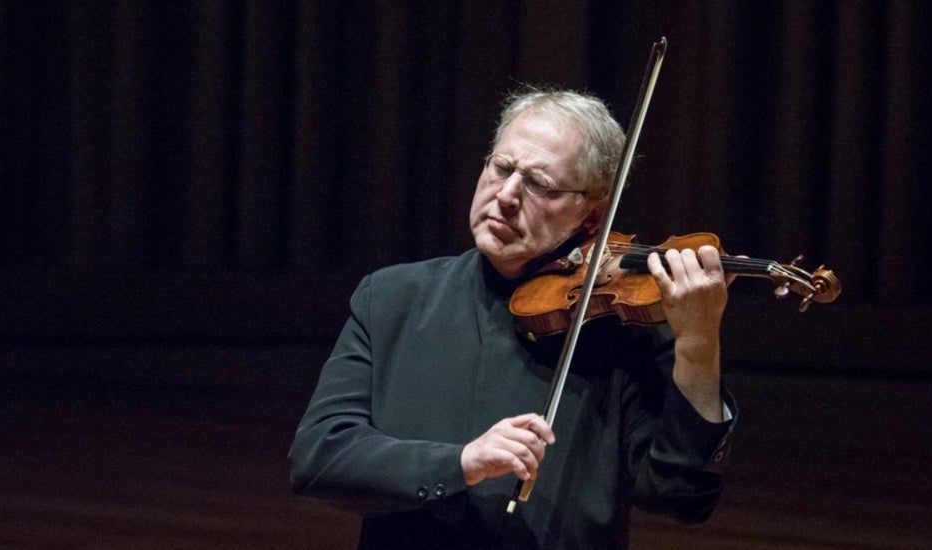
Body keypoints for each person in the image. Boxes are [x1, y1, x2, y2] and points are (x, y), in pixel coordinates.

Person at [289, 87, 736, 550]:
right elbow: (319, 456)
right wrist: (462, 463)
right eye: (501, 168)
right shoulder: (391, 299)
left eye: (540, 185)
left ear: (593, 215)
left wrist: (698, 347)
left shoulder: (622, 329)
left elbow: (681, 494)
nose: (505, 195)